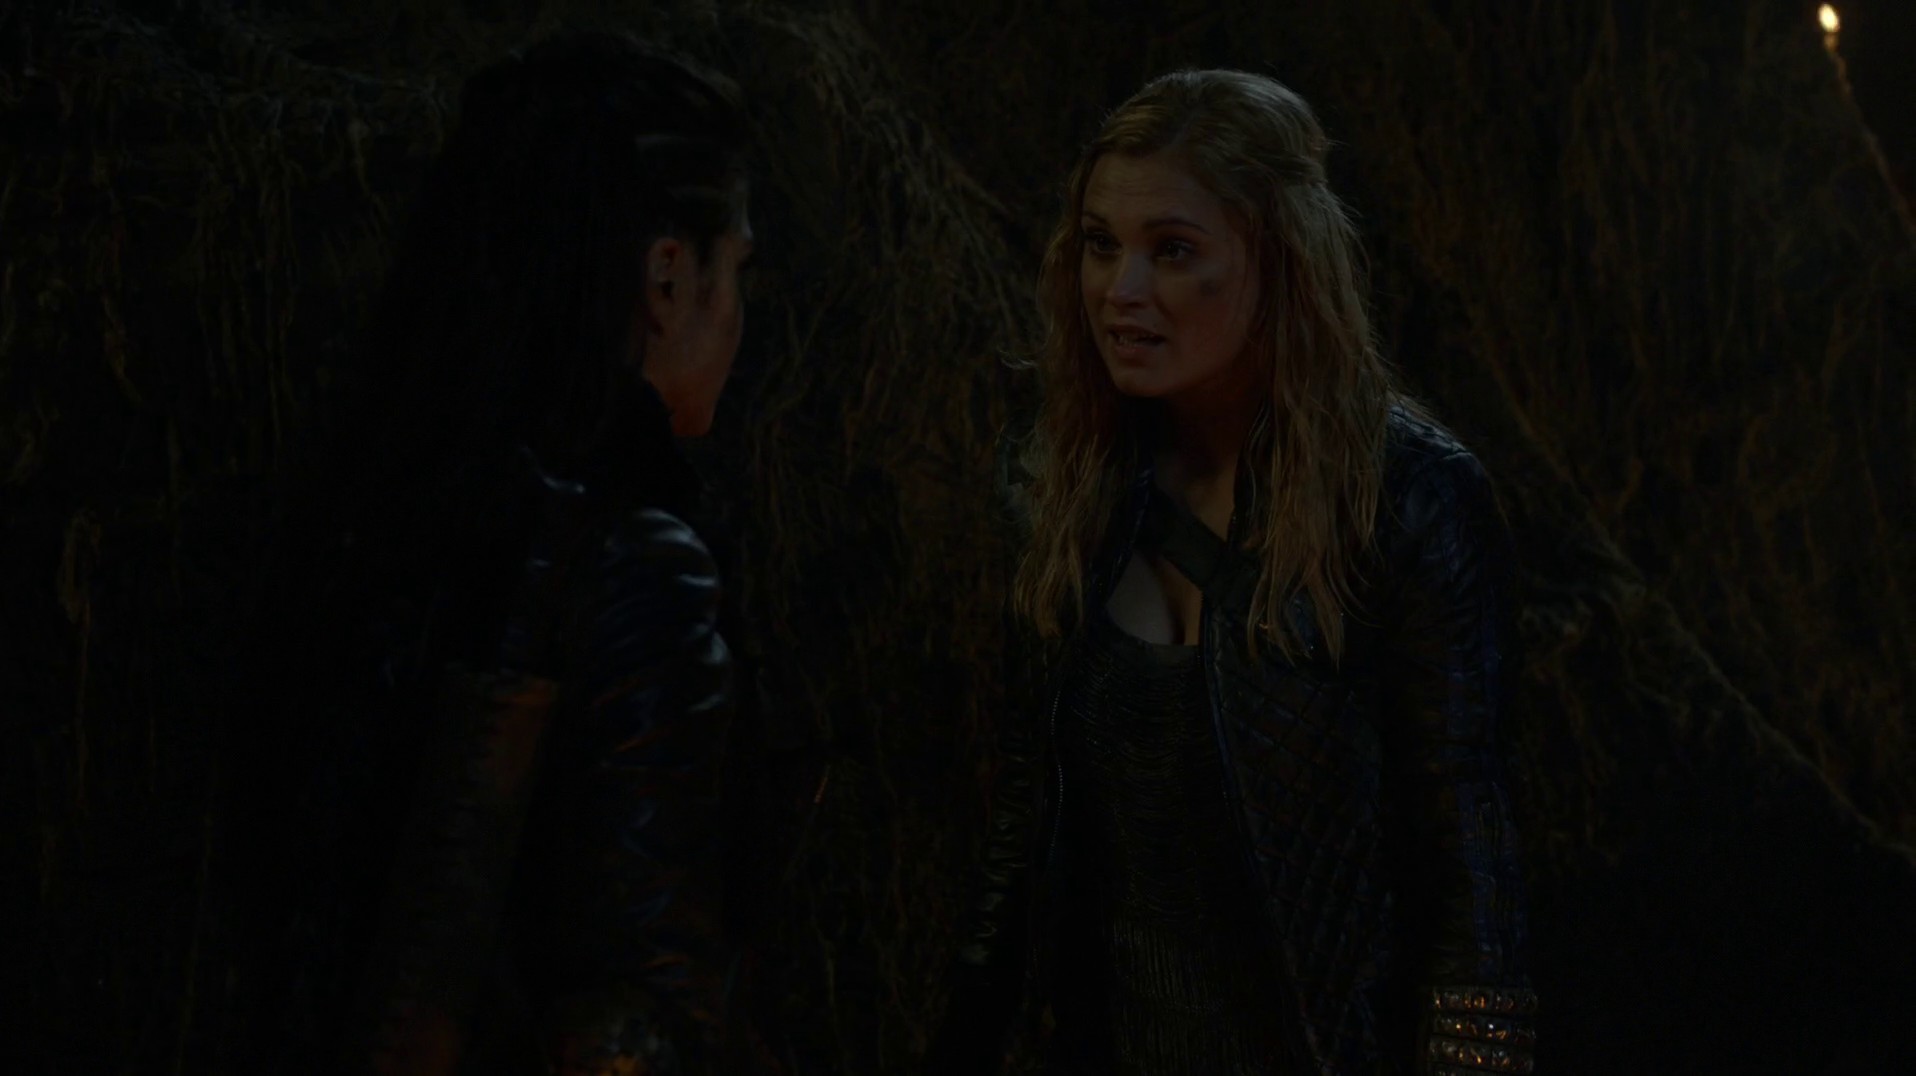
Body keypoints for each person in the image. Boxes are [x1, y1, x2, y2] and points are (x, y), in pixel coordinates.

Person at [931, 69, 1535, 1075]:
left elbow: (1468, 874)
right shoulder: (1058, 481)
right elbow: (1025, 829)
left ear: (1279, 259)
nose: (1119, 292)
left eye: (1171, 250)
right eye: (1100, 245)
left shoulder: (1406, 501)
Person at [224, 29, 755, 1076]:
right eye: (734, 268)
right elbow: (632, 1020)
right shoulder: (634, 569)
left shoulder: (380, 523)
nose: (738, 316)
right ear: (664, 277)